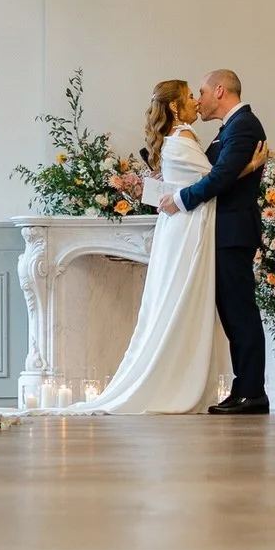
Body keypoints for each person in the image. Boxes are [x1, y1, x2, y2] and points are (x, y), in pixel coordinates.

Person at [81, 80, 226, 413]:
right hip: (187, 228)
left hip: (179, 226)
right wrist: (248, 165)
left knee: (174, 301)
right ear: (175, 107)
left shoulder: (174, 140)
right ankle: (176, 381)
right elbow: (217, 180)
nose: (195, 101)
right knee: (180, 300)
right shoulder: (183, 138)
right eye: (190, 96)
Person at [157, 70, 269, 413]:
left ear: (220, 90)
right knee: (232, 314)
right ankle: (243, 388)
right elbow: (219, 173)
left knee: (240, 313)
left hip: (231, 233)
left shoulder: (244, 125)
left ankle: (253, 392)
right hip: (221, 233)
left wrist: (181, 199)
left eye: (202, 92)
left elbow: (219, 177)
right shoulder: (230, 129)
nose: (199, 100)